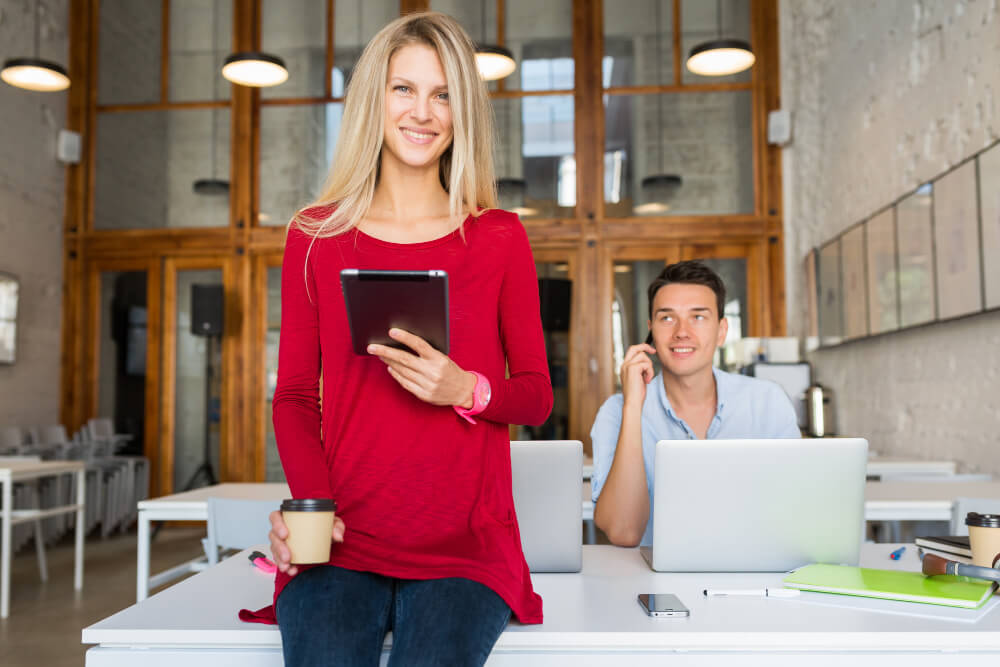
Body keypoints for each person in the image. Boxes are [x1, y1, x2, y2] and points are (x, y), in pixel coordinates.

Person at [257, 12, 553, 667]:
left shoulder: (499, 236)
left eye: (444, 94)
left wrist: (464, 387)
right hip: (343, 538)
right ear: (374, 100)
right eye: (405, 89)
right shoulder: (315, 236)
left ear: (462, 112)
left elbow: (535, 395)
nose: (424, 111)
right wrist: (312, 507)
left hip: (465, 546)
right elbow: (296, 396)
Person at [590, 260, 800, 547]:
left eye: (698, 317)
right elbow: (623, 533)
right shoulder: (616, 412)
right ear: (651, 330)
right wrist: (633, 407)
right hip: (650, 582)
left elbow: (795, 515)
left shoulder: (766, 402)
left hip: (750, 576)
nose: (681, 332)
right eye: (667, 318)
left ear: (722, 330)